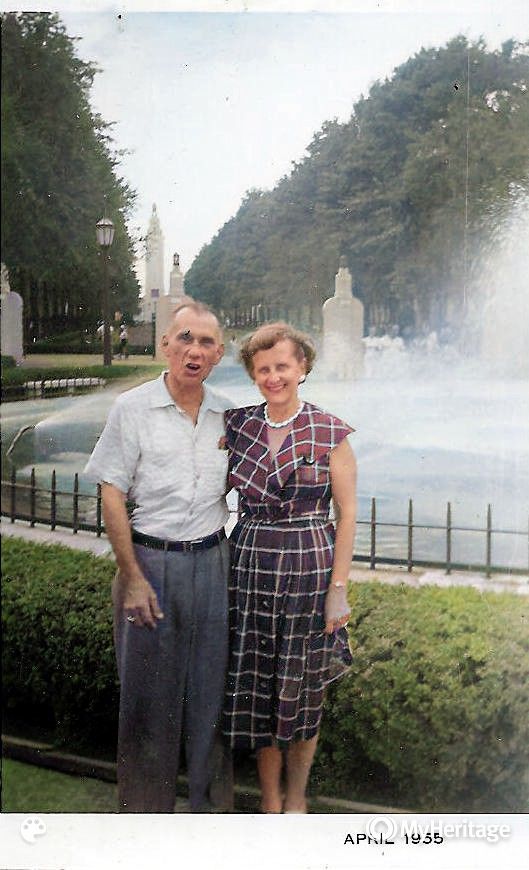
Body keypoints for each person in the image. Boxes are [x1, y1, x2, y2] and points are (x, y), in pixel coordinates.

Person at [84, 301, 233, 813]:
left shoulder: (229, 415)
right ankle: (146, 825)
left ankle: (210, 818)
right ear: (165, 344)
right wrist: (132, 576)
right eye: (185, 338)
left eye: (206, 342)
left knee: (213, 702)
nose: (195, 350)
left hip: (213, 565)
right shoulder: (132, 409)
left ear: (218, 354)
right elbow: (111, 493)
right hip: (151, 566)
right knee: (148, 708)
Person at [222, 322, 356, 813]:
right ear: (253, 374)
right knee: (260, 686)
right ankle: (270, 802)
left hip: (309, 570)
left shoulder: (330, 431)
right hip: (251, 566)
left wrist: (337, 589)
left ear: (302, 368)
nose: (273, 377)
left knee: (303, 690)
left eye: (282, 366)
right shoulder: (238, 426)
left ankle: (296, 800)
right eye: (263, 369)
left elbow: (347, 514)